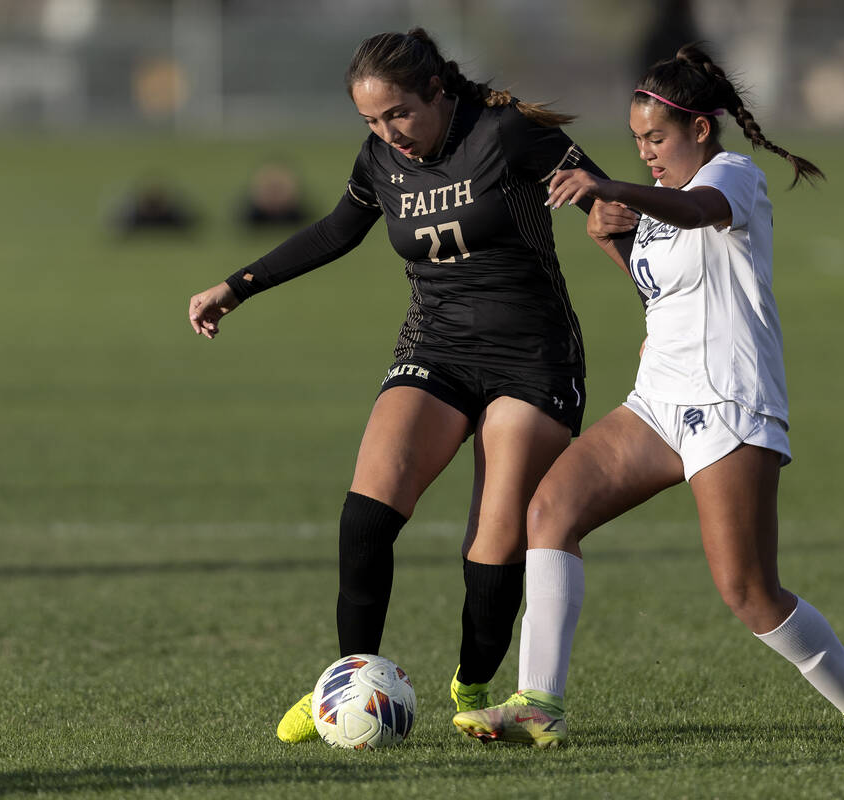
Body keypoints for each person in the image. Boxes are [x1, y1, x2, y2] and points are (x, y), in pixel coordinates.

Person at [187, 28, 629, 743]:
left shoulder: (506, 134)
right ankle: (346, 685)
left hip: (532, 356)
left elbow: (612, 211)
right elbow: (336, 230)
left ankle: (474, 683)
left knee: (492, 544)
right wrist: (236, 288)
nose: (387, 133)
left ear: (437, 92)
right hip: (436, 346)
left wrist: (662, 308)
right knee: (366, 515)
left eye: (398, 114)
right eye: (370, 121)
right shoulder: (381, 161)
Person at [452, 43, 844, 748]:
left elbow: (700, 213)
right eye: (636, 142)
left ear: (698, 128)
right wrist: (613, 240)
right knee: (550, 509)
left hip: (729, 404)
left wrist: (615, 193)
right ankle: (541, 701)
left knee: (747, 591)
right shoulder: (660, 202)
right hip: (658, 400)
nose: (647, 153)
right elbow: (661, 289)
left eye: (655, 138)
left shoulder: (733, 176)